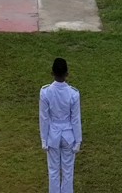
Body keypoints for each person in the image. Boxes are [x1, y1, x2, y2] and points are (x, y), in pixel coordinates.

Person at [39, 57, 82, 193]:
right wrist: (78, 140)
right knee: (68, 171)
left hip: (53, 134)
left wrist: (44, 139)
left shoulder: (46, 92)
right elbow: (75, 119)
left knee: (53, 171)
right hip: (68, 135)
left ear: (52, 73)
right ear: (67, 74)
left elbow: (44, 118)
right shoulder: (73, 93)